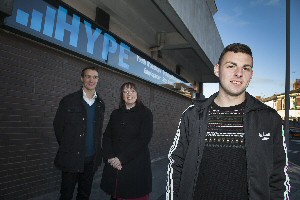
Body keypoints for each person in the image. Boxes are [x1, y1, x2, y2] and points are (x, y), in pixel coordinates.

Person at [166, 43, 289, 200]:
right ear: (217, 69)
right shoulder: (192, 116)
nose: (239, 73)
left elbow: (278, 175)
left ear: (251, 74)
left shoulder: (269, 119)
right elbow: (176, 165)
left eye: (246, 68)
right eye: (231, 66)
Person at [53, 66, 105, 200]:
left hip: (91, 159)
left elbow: (98, 130)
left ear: (98, 80)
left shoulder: (100, 104)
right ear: (82, 79)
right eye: (88, 76)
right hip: (72, 157)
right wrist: (68, 146)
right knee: (66, 194)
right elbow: (58, 127)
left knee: (84, 194)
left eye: (94, 77)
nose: (91, 80)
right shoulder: (68, 100)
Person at [100, 82, 153, 200]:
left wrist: (121, 158)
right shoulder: (115, 114)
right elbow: (107, 136)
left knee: (133, 195)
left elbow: (143, 139)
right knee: (116, 194)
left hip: (135, 165)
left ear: (137, 94)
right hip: (115, 165)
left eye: (132, 91)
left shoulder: (145, 113)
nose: (129, 94)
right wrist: (110, 157)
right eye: (125, 91)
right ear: (122, 95)